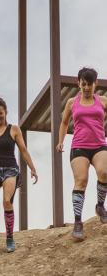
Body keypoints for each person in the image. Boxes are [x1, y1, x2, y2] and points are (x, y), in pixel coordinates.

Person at [0, 97, 38, 253]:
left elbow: (23, 150)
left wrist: (32, 168)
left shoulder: (14, 129)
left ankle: (9, 239)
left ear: (6, 112)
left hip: (10, 169)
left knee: (6, 201)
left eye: (0, 113)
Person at [56, 67, 107, 240]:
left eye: (89, 84)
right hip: (79, 146)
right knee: (81, 180)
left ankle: (100, 206)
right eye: (83, 84)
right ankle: (78, 222)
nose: (86, 87)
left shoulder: (103, 101)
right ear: (79, 83)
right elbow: (64, 123)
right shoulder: (72, 102)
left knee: (104, 173)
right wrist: (60, 141)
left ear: (95, 84)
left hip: (99, 145)